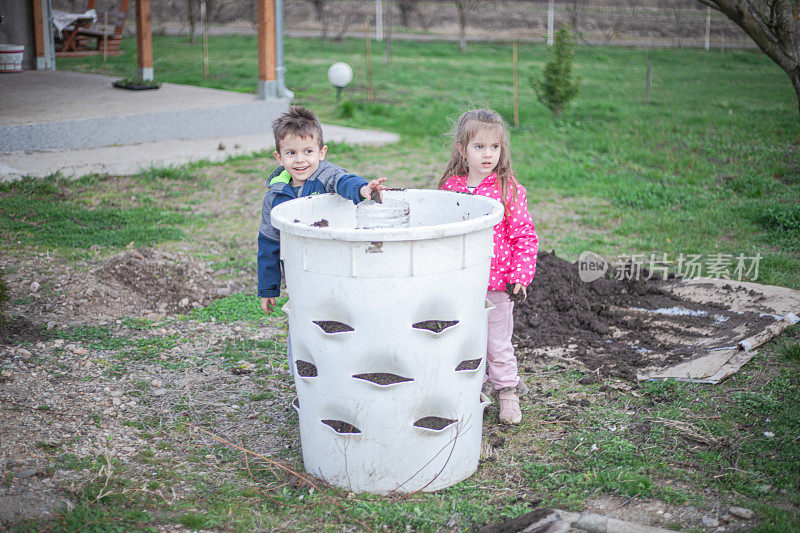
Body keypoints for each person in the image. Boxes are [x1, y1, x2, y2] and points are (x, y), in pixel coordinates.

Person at [438, 108, 538, 425]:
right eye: (479, 147)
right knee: (466, 339)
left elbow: (524, 235)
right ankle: (472, 388)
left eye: (494, 147)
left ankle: (507, 391)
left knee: (497, 342)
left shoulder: (508, 188)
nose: (488, 154)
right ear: (462, 150)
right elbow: (440, 233)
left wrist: (519, 277)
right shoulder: (450, 188)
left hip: (497, 286)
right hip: (461, 284)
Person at [258, 106, 386, 317]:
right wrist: (267, 288)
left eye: (308, 151)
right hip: (298, 272)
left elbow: (344, 181)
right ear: (279, 158)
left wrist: (364, 189)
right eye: (291, 153)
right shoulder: (275, 197)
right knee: (306, 316)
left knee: (341, 313)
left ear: (322, 153)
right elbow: (269, 243)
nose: (300, 160)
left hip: (335, 266)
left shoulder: (326, 176)